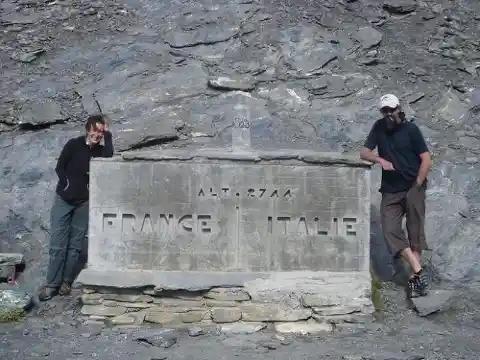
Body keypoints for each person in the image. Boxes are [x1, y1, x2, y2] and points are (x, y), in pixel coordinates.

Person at [360, 94, 432, 298]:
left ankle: (414, 280)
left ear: (399, 108)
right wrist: (379, 159)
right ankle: (418, 269)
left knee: (415, 233)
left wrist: (418, 184)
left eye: (391, 110)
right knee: (390, 229)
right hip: (390, 190)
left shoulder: (411, 130)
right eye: (385, 111)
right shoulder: (379, 127)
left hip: (412, 187)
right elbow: (364, 152)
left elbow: (426, 159)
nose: (389, 114)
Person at [38, 115, 114, 301]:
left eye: (100, 132)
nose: (97, 134)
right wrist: (66, 184)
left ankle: (66, 281)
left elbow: (110, 157)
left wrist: (109, 134)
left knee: (75, 245)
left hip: (84, 203)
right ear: (88, 129)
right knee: (57, 244)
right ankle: (51, 285)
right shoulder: (73, 144)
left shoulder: (101, 151)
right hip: (64, 200)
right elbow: (60, 167)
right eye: (94, 130)